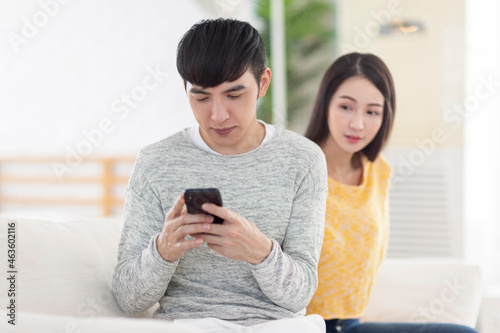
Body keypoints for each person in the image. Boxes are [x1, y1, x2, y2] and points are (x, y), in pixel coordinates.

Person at [112, 18, 328, 333]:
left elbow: (300, 294)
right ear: (184, 89)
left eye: (234, 95)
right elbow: (128, 299)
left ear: (263, 83)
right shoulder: (155, 162)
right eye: (201, 98)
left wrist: (261, 252)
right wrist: (163, 250)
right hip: (189, 325)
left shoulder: (303, 160)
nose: (218, 115)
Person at [304, 52, 479, 333]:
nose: (358, 124)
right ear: (325, 104)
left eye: (372, 111)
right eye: (346, 107)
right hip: (302, 324)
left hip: (351, 325)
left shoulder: (378, 171)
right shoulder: (298, 167)